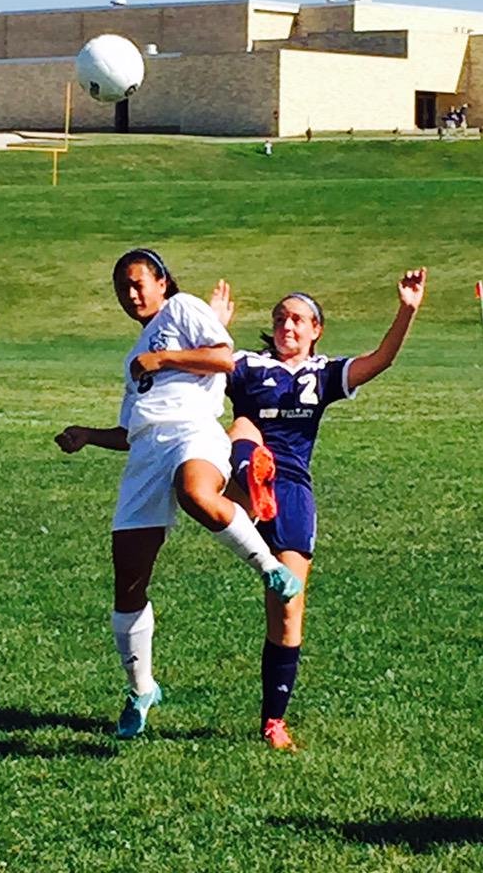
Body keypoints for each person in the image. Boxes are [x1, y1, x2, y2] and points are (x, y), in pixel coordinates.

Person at [54, 248, 303, 740]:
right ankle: (141, 688)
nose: (131, 294)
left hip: (193, 429)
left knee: (195, 492)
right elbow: (131, 431)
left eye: (138, 283)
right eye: (122, 288)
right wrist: (87, 434)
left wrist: (164, 356)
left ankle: (272, 569)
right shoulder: (134, 358)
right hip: (146, 452)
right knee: (128, 584)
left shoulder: (182, 308)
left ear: (162, 282)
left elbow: (223, 359)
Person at [217, 269, 427, 750]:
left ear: (316, 331)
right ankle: (250, 481)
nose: (286, 325)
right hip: (244, 467)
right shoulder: (246, 364)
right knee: (243, 427)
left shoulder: (325, 373)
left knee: (287, 610)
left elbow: (380, 360)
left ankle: (274, 721)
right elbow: (205, 363)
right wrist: (215, 326)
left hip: (292, 492)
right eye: (279, 318)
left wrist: (407, 310)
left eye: (297, 319)